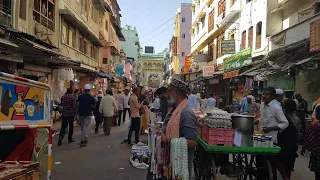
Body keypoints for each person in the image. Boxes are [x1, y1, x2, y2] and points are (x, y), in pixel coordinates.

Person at [162, 78, 197, 179]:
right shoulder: (174, 110)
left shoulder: (186, 113)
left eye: (169, 91)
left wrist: (169, 140)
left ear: (175, 92)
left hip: (181, 168)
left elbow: (192, 142)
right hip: (172, 163)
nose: (167, 94)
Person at [258, 86, 289, 179]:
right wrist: (256, 121)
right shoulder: (262, 105)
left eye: (267, 94)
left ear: (273, 96)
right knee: (260, 164)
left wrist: (271, 128)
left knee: (270, 165)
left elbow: (285, 123)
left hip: (272, 139)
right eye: (263, 94)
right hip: (261, 138)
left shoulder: (276, 108)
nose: (264, 96)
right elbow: (264, 119)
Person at [276, 98, 301, 180]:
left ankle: (285, 177)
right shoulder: (297, 119)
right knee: (289, 163)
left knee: (280, 161)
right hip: (292, 144)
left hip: (282, 143)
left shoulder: (281, 118)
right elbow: (298, 133)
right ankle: (287, 177)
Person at [302, 103, 320, 180]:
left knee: (318, 174)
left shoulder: (315, 126)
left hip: (317, 153)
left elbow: (309, 138)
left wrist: (304, 148)